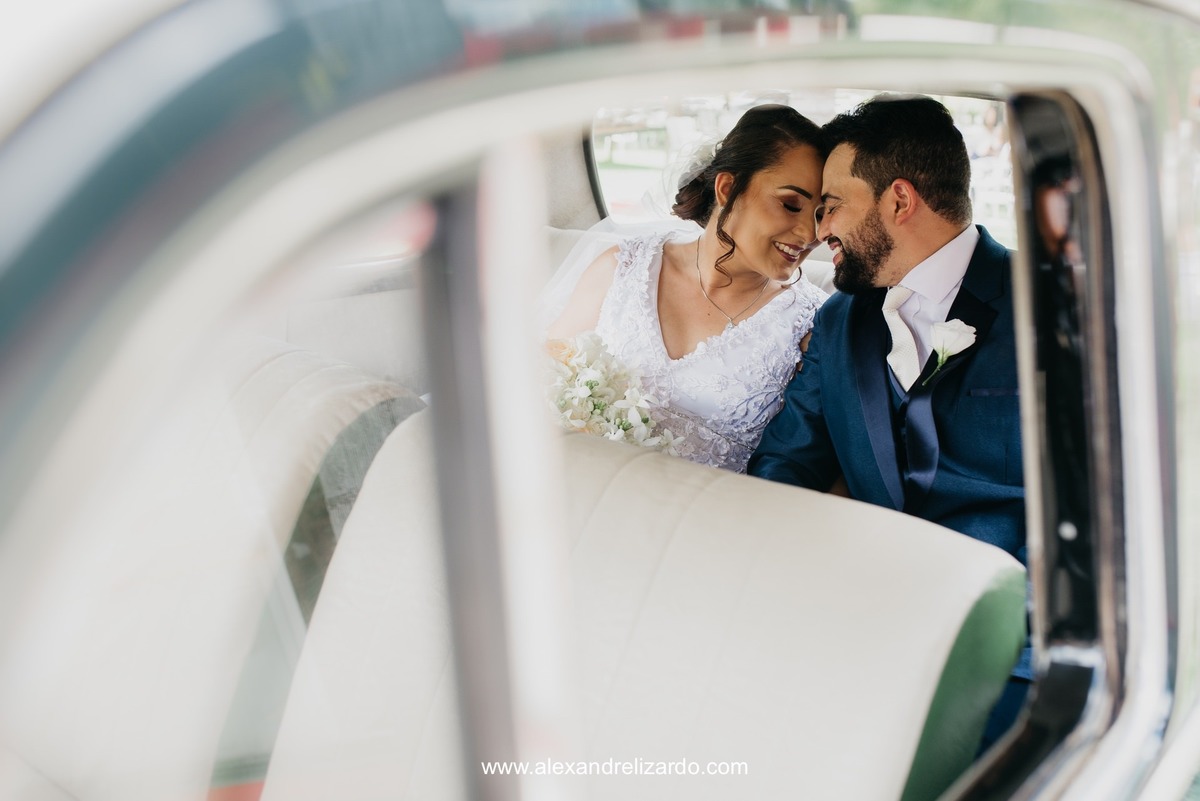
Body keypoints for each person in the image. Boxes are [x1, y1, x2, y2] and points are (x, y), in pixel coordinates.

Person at [746, 94, 1030, 749]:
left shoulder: (1052, 307)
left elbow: (1099, 509)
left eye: (832, 206)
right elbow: (783, 467)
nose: (820, 231)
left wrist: (1025, 664)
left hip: (1010, 645)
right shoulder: (839, 324)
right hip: (860, 622)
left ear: (898, 201)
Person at [543, 104, 829, 472]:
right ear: (728, 188)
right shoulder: (622, 269)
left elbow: (809, 465)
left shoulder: (811, 327)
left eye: (821, 214)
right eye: (791, 205)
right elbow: (546, 383)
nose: (810, 235)